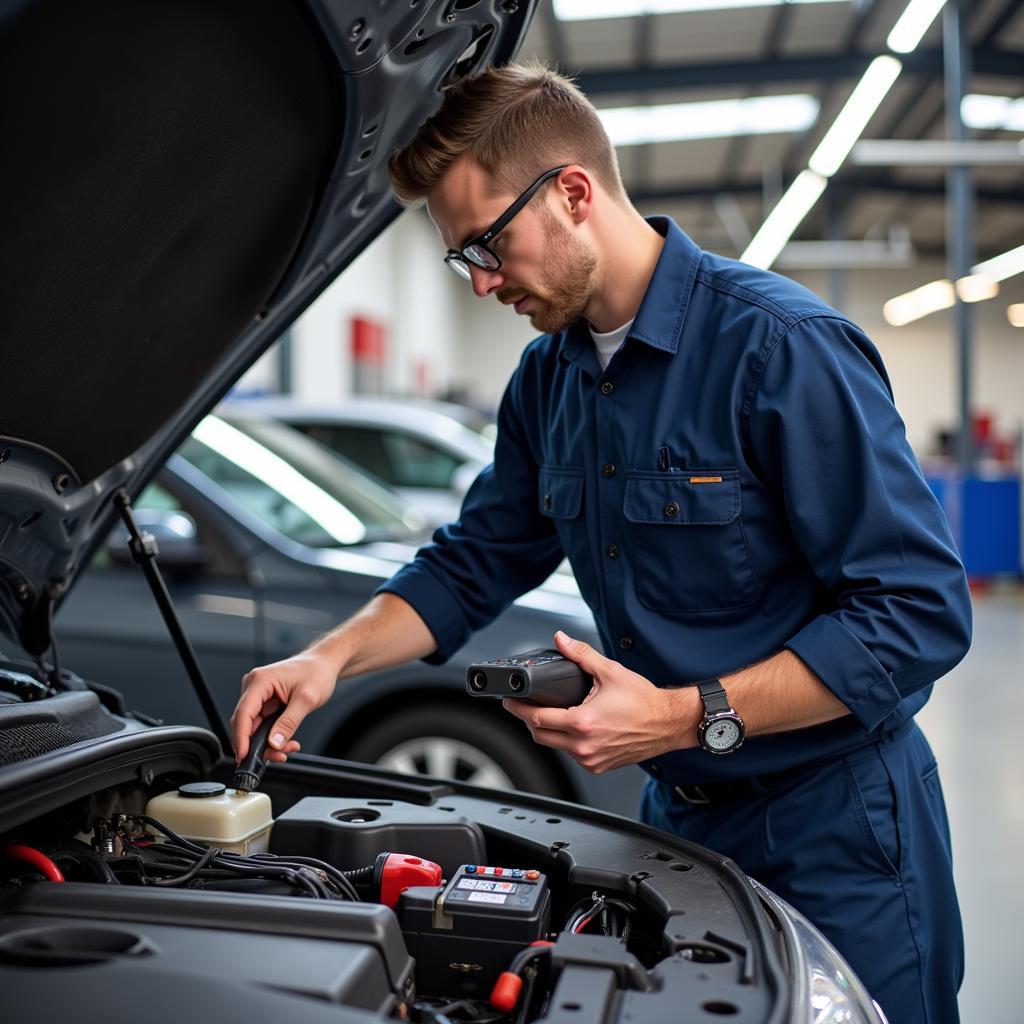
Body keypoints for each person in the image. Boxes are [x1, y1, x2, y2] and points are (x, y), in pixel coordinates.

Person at [232, 63, 971, 1024]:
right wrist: (328, 657)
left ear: (573, 192)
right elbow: (473, 562)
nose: (485, 279)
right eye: (464, 261)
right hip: (679, 832)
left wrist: (678, 716)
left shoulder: (778, 347)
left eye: (487, 245)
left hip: (839, 828)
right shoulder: (549, 383)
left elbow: (915, 613)